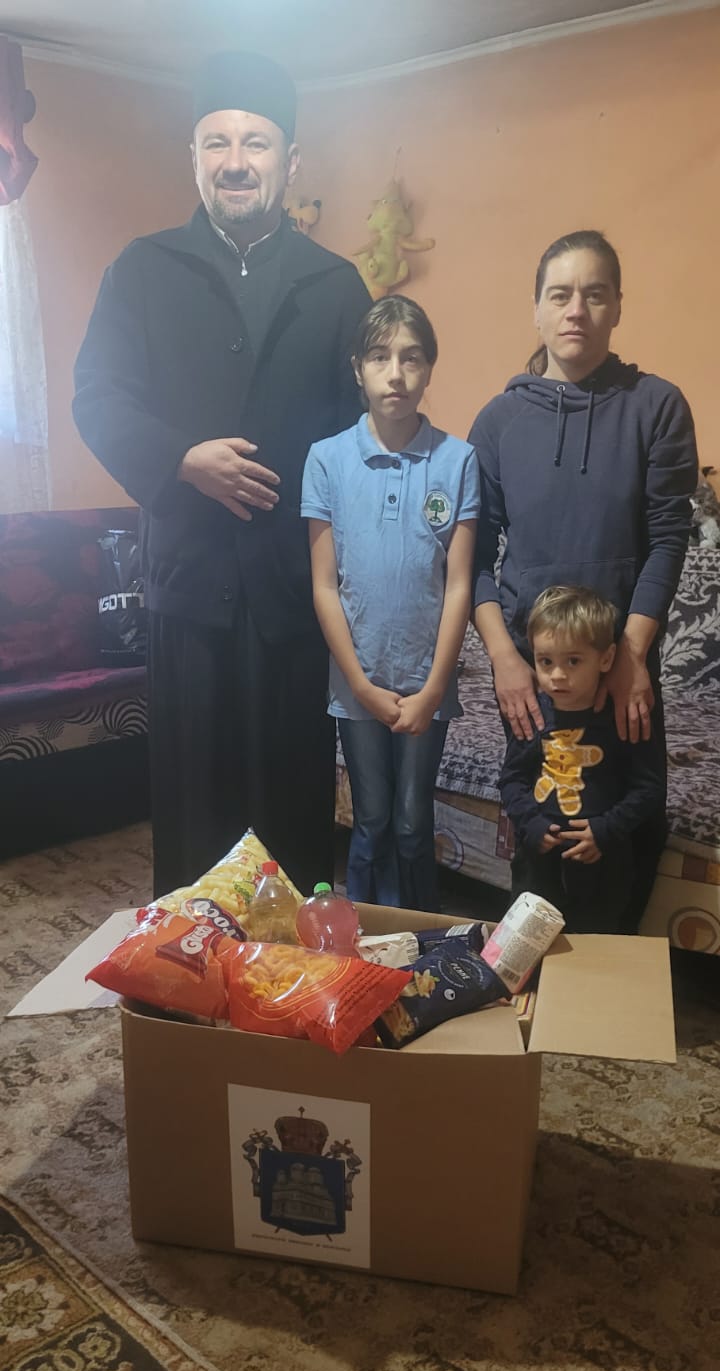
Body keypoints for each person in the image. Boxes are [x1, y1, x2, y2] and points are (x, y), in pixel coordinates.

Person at [73, 51, 370, 897]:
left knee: (291, 815)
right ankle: (189, 972)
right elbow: (97, 396)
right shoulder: (142, 269)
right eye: (216, 143)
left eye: (255, 143)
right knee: (194, 815)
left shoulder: (336, 285)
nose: (235, 161)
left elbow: (364, 434)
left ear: (290, 162)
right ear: (194, 157)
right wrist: (179, 459)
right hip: (189, 590)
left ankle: (291, 974)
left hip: (293, 597)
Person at [469, 229, 698, 929]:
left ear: (618, 306)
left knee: (627, 832)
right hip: (534, 676)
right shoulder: (498, 421)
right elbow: (473, 558)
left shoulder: (657, 405)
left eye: (595, 294)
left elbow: (668, 538)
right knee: (538, 838)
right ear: (536, 308)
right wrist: (504, 660)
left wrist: (630, 655)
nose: (576, 310)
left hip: (619, 667)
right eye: (560, 294)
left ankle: (614, 980)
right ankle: (534, 976)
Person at [302, 296, 478, 911]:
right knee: (372, 819)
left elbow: (459, 585)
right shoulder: (326, 459)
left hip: (428, 682)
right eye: (379, 357)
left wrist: (433, 689)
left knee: (410, 822)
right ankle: (356, 940)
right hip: (358, 683)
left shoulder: (458, 461)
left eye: (411, 358)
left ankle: (422, 938)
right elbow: (325, 585)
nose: (395, 374)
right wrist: (359, 682)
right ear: (358, 368)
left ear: (429, 368)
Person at [500, 586, 665, 933]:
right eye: (546, 661)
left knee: (594, 948)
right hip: (537, 862)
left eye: (573, 661)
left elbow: (648, 788)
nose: (557, 675)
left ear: (605, 659)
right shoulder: (533, 717)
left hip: (603, 863)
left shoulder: (621, 717)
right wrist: (531, 824)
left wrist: (606, 830)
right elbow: (511, 779)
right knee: (527, 946)